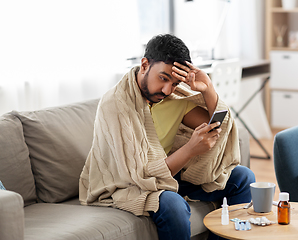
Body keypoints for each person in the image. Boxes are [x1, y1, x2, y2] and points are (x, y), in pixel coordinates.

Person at [79, 34, 255, 240]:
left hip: (168, 175)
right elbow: (138, 175)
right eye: (163, 78)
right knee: (173, 204)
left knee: (243, 178)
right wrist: (189, 150)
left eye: (174, 82)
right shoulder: (116, 105)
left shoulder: (174, 96)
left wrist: (208, 87)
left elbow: (218, 126)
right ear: (144, 65)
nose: (167, 90)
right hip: (128, 183)